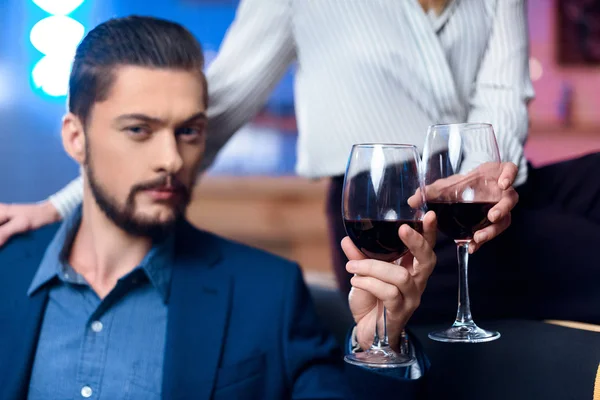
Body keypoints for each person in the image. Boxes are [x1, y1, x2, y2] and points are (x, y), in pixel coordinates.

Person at [5, 0, 599, 324]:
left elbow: (500, 103)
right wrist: (61, 205)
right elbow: (207, 114)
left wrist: (487, 184)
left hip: (491, 193)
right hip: (387, 217)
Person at [0, 16, 439, 399]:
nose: (171, 160)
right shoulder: (7, 268)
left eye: (189, 131)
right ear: (75, 137)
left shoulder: (268, 294)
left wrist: (378, 344)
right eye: (139, 129)